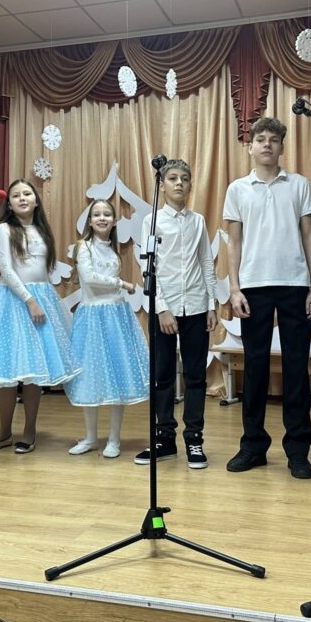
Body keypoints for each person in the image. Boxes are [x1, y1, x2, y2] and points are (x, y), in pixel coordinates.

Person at [223, 117, 311, 479]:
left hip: (295, 284)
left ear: (281, 146)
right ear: (250, 146)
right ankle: (253, 446)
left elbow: (309, 236)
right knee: (255, 367)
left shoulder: (299, 184)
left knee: (296, 368)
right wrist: (235, 288)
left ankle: (298, 450)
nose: (267, 144)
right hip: (252, 286)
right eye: (261, 139)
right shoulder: (237, 189)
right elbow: (234, 242)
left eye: (274, 139)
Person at [0, 179, 81, 454]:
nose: (22, 198)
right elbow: (6, 269)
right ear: (9, 205)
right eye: (16, 195)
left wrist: (39, 298)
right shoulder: (3, 229)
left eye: (27, 194)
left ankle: (29, 430)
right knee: (7, 370)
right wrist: (29, 300)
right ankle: (4, 431)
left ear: (36, 201)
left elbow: (41, 268)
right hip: (12, 301)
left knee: (33, 370)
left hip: (41, 297)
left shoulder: (42, 230)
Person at [133, 159, 218, 469]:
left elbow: (206, 261)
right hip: (164, 309)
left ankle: (194, 439)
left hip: (196, 306)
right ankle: (164, 438)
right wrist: (162, 308)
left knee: (196, 376)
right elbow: (148, 266)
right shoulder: (151, 221)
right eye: (172, 178)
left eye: (184, 178)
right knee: (163, 375)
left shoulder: (198, 221)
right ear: (162, 184)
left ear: (190, 184)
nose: (179, 183)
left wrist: (211, 304)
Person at [63, 199, 148, 458]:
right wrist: (122, 283)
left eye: (107, 214)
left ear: (114, 221)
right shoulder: (84, 247)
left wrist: (119, 287)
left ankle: (114, 439)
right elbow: (89, 278)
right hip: (92, 317)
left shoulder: (113, 250)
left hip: (115, 316)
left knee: (117, 376)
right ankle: (90, 437)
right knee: (90, 376)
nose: (102, 218)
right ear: (90, 221)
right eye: (97, 214)